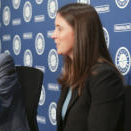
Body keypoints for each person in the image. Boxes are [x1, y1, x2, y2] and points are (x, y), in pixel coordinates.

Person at [51, 3, 124, 131]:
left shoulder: (104, 77)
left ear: (79, 32)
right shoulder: (73, 73)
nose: (53, 35)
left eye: (59, 29)